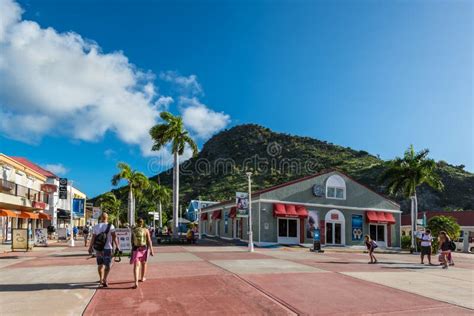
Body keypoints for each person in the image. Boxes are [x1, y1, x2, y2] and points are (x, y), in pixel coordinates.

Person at [88, 213, 119, 287]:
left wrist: (90, 247)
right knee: (107, 265)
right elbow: (114, 237)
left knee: (100, 264)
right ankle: (105, 279)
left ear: (100, 218)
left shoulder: (96, 226)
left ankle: (101, 278)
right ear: (107, 218)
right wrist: (118, 246)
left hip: (98, 249)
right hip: (108, 248)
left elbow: (93, 238)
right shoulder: (111, 226)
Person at [130, 218, 154, 289]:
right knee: (144, 263)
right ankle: (142, 277)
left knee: (136, 266)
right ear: (142, 223)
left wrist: (132, 250)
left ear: (137, 223)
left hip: (136, 249)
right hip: (144, 249)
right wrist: (152, 250)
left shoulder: (133, 230)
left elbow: (132, 241)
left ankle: (136, 282)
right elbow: (149, 240)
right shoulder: (146, 230)